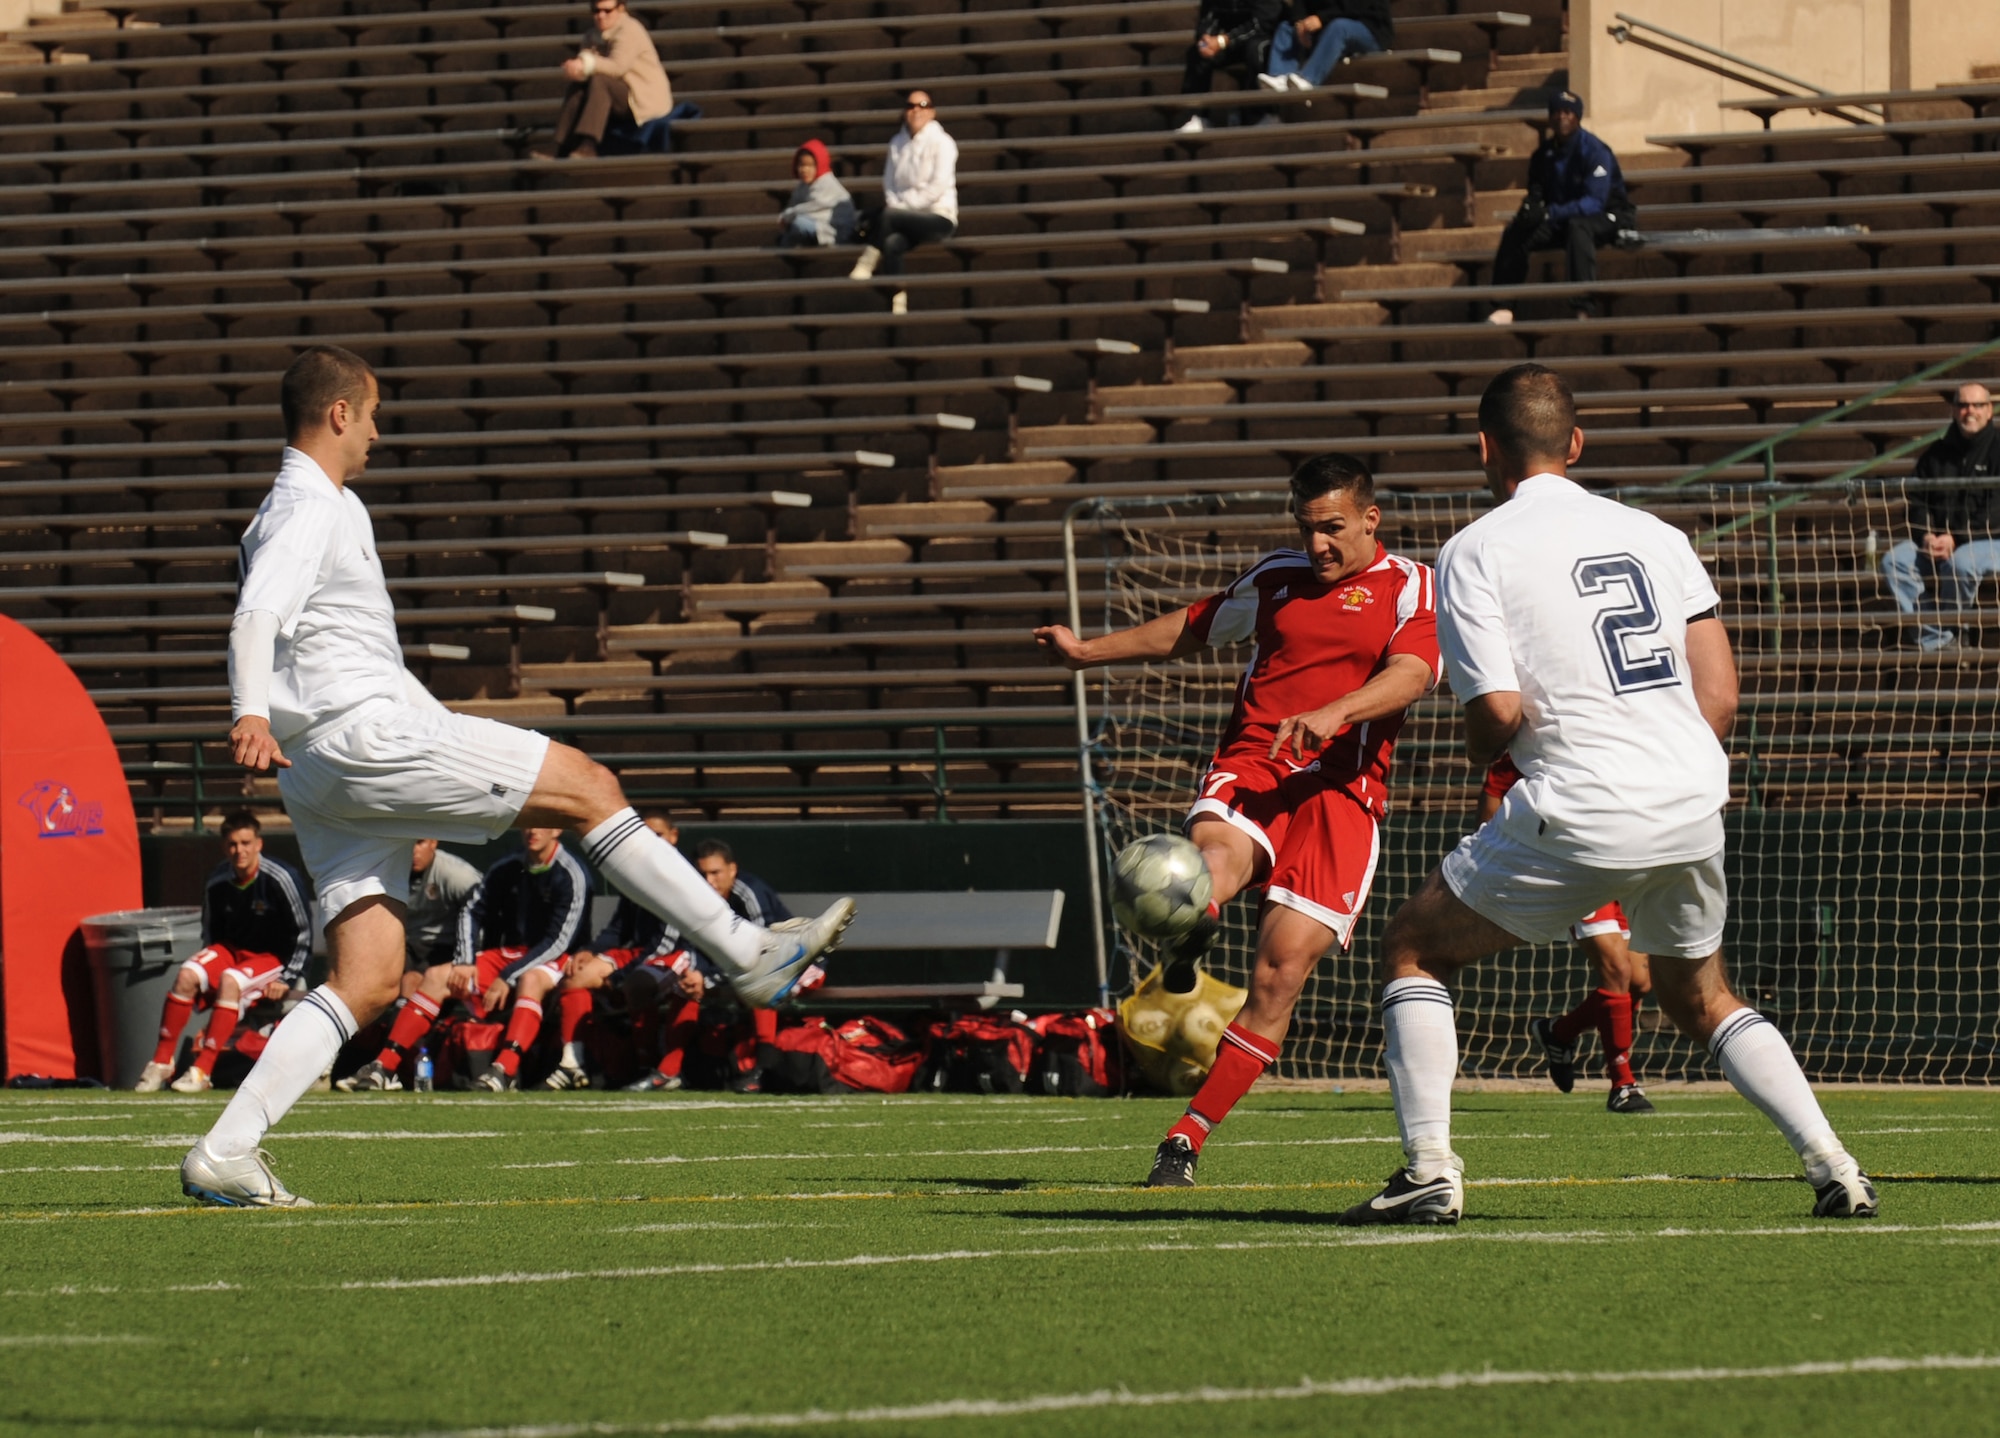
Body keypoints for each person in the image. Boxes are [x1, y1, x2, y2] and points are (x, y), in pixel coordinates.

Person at [178, 344, 853, 1208]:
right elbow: (256, 617)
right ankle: (743, 951)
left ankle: (228, 1148)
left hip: (324, 768)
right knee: (591, 787)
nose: (379, 432)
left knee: (371, 975)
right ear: (339, 413)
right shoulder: (309, 502)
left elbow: (345, 647)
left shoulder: (317, 505)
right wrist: (249, 712)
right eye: (374, 412)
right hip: (357, 741)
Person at [1339, 362, 1876, 1228]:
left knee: (1412, 948)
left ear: (1485, 450)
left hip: (1581, 799)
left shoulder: (1473, 548)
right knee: (1701, 996)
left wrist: (1491, 748)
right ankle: (1836, 1166)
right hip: (1692, 793)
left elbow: (1499, 713)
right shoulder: (1658, 534)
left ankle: (1430, 1170)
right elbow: (1723, 696)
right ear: (1577, 443)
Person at [1034, 454, 1440, 1188]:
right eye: (1306, 528)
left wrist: (1337, 712)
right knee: (1204, 869)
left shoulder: (1412, 586)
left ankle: (1186, 1138)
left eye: (1333, 528)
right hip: (1255, 765)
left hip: (1343, 795)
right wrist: (1086, 653)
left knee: (1278, 977)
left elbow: (1412, 673)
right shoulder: (1277, 578)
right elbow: (1195, 627)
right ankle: (1197, 918)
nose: (1317, 544)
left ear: (1370, 518)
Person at [339, 828, 590, 1093]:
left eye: (541, 823)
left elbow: (559, 941)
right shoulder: (508, 866)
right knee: (436, 976)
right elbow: (472, 910)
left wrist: (508, 976)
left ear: (557, 829)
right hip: (512, 954)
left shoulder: (572, 873)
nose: (533, 830)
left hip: (557, 958)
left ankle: (505, 1070)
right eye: (528, 823)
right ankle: (385, 1067)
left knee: (531, 979)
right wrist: (465, 961)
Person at [1484, 756, 1656, 1113]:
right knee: (1617, 969)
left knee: (1640, 982)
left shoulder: (1619, 732)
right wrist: (1492, 857)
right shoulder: (1535, 739)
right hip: (1573, 860)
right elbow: (1495, 789)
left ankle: (1559, 1033)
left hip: (1625, 859)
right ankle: (1623, 1084)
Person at [135, 812, 312, 1094]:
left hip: (270, 959)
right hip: (230, 952)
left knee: (230, 981)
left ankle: (202, 1070)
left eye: (245, 843)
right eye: (232, 844)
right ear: (224, 847)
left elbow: (302, 934)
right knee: (187, 975)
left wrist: (288, 978)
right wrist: (207, 975)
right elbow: (210, 932)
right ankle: (161, 1062)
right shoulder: (217, 880)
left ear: (259, 844)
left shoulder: (281, 878)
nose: (239, 851)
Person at [554, 813, 709, 1092]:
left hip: (679, 952)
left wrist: (620, 976)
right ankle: (572, 1063)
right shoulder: (634, 872)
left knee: (637, 983)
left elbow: (668, 939)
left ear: (674, 836)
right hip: (640, 952)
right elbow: (619, 927)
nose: (653, 842)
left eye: (659, 835)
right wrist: (591, 951)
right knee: (575, 976)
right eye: (646, 835)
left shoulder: (680, 875)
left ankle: (646, 1064)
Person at [1486, 91, 1631, 325]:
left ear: (1578, 117)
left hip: (1607, 216)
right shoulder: (1543, 154)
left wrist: (1549, 213)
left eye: (1568, 112)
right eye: (1557, 112)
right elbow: (1537, 192)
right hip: (1561, 219)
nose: (1562, 117)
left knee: (1578, 227)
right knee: (1517, 231)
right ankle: (1503, 305)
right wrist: (1530, 209)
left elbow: (1594, 202)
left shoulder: (1595, 151)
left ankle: (1583, 307)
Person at [1881, 382, 2000, 653]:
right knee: (1894, 561)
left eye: (1977, 405)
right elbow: (1917, 501)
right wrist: (1926, 537)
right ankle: (1938, 640)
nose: (1969, 411)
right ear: (1953, 410)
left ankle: (1955, 629)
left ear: (1989, 410)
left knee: (1961, 564)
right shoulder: (1935, 455)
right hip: (1938, 541)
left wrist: (1955, 539)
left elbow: (1996, 511)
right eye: (1962, 405)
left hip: (1991, 541)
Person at [691, 838, 797, 1094]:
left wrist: (710, 977)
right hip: (743, 969)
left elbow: (764, 950)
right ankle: (669, 1068)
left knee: (763, 981)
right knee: (680, 979)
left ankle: (764, 1066)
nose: (708, 881)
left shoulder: (749, 893)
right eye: (702, 874)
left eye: (715, 873)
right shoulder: (695, 897)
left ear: (732, 870)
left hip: (797, 961)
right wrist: (698, 975)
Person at [846, 90, 958, 316]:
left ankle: (868, 260)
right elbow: (889, 182)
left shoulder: (943, 143)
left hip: (938, 216)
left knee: (887, 216)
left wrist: (900, 206)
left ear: (932, 111)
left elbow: (937, 187)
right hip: (900, 216)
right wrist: (898, 205)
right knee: (892, 243)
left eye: (923, 105)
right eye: (910, 106)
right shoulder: (896, 143)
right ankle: (897, 302)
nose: (916, 110)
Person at [540, 0, 671, 160]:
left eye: (607, 11)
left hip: (642, 96)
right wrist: (575, 70)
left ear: (621, 9)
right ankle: (561, 145)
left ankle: (589, 144)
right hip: (614, 94)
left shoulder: (629, 30)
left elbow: (617, 67)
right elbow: (589, 70)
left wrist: (586, 63)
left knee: (600, 81)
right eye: (596, 11)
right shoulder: (591, 35)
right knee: (580, 86)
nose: (601, 16)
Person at [1173, 0, 1282, 133]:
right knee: (1196, 54)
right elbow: (1207, 16)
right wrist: (1206, 39)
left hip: (1262, 37)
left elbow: (1263, 23)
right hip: (1226, 41)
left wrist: (1223, 40)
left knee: (1256, 50)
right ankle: (1199, 116)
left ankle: (1267, 114)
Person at [1258, 0, 1391, 93]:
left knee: (1339, 27)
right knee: (1286, 28)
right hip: (1329, 26)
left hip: (1370, 30)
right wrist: (1300, 23)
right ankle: (1280, 77)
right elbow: (1300, 4)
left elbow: (1355, 6)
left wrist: (1321, 18)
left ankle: (1308, 80)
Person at [401, 838, 482, 981]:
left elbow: (482, 910)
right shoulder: (387, 870)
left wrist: (468, 958)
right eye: (408, 842)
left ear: (433, 842)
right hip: (405, 943)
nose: (413, 850)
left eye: (420, 842)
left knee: (413, 980)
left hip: (445, 946)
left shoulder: (458, 876)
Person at [778, 139, 856, 249]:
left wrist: (789, 215)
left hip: (835, 233)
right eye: (801, 165)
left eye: (810, 165)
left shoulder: (826, 183)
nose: (804, 170)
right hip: (816, 225)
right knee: (788, 231)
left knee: (798, 223)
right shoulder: (803, 185)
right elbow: (794, 204)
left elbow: (814, 207)